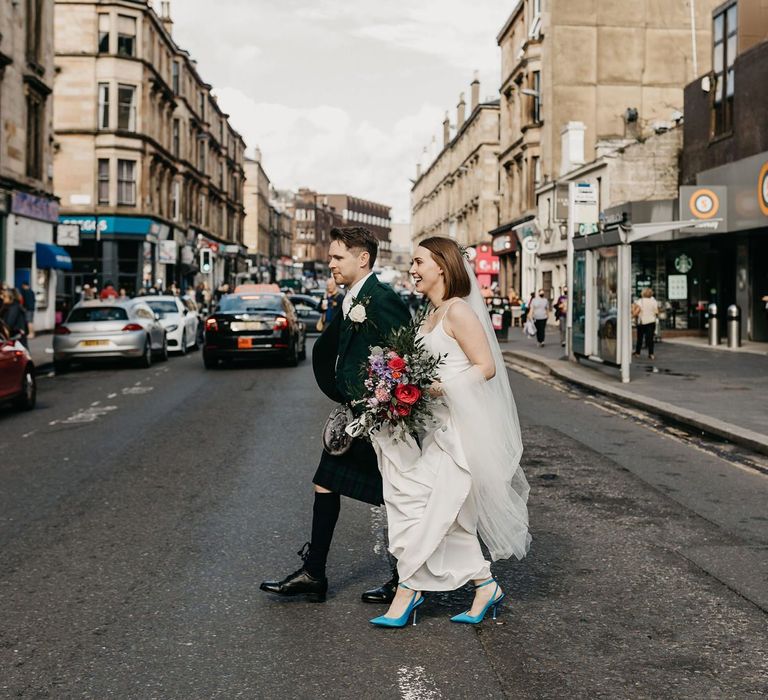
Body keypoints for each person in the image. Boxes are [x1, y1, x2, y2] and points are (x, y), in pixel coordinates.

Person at [368, 237, 530, 628]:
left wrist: (436, 388)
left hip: (459, 431)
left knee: (428, 507)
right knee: (439, 512)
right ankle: (484, 585)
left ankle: (407, 590)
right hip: (433, 427)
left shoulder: (458, 311)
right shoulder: (431, 313)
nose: (413, 269)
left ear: (442, 265)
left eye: (419, 262)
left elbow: (485, 367)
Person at [260, 226, 411, 604]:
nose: (330, 264)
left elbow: (400, 356)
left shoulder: (381, 298)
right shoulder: (351, 297)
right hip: (358, 415)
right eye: (331, 257)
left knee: (397, 496)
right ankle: (315, 573)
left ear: (363, 259)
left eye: (337, 257)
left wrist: (378, 403)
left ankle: (406, 577)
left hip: (378, 418)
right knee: (326, 481)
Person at [632, 287, 659, 360]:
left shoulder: (640, 301)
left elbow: (636, 312)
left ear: (643, 293)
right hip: (651, 322)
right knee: (650, 339)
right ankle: (651, 354)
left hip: (642, 322)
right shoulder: (654, 301)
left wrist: (633, 313)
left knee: (640, 338)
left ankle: (637, 353)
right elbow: (656, 312)